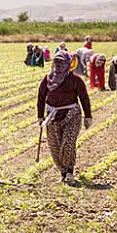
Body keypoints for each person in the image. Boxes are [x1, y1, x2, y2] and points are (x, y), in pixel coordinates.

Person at [37, 51, 93, 185]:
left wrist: (88, 116)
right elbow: (41, 97)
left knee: (68, 142)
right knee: (55, 145)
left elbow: (84, 97)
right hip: (52, 116)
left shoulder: (75, 80)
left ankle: (69, 172)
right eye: (57, 62)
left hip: (72, 114)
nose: (59, 65)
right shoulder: (47, 79)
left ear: (68, 64)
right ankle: (62, 172)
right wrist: (40, 116)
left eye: (62, 62)